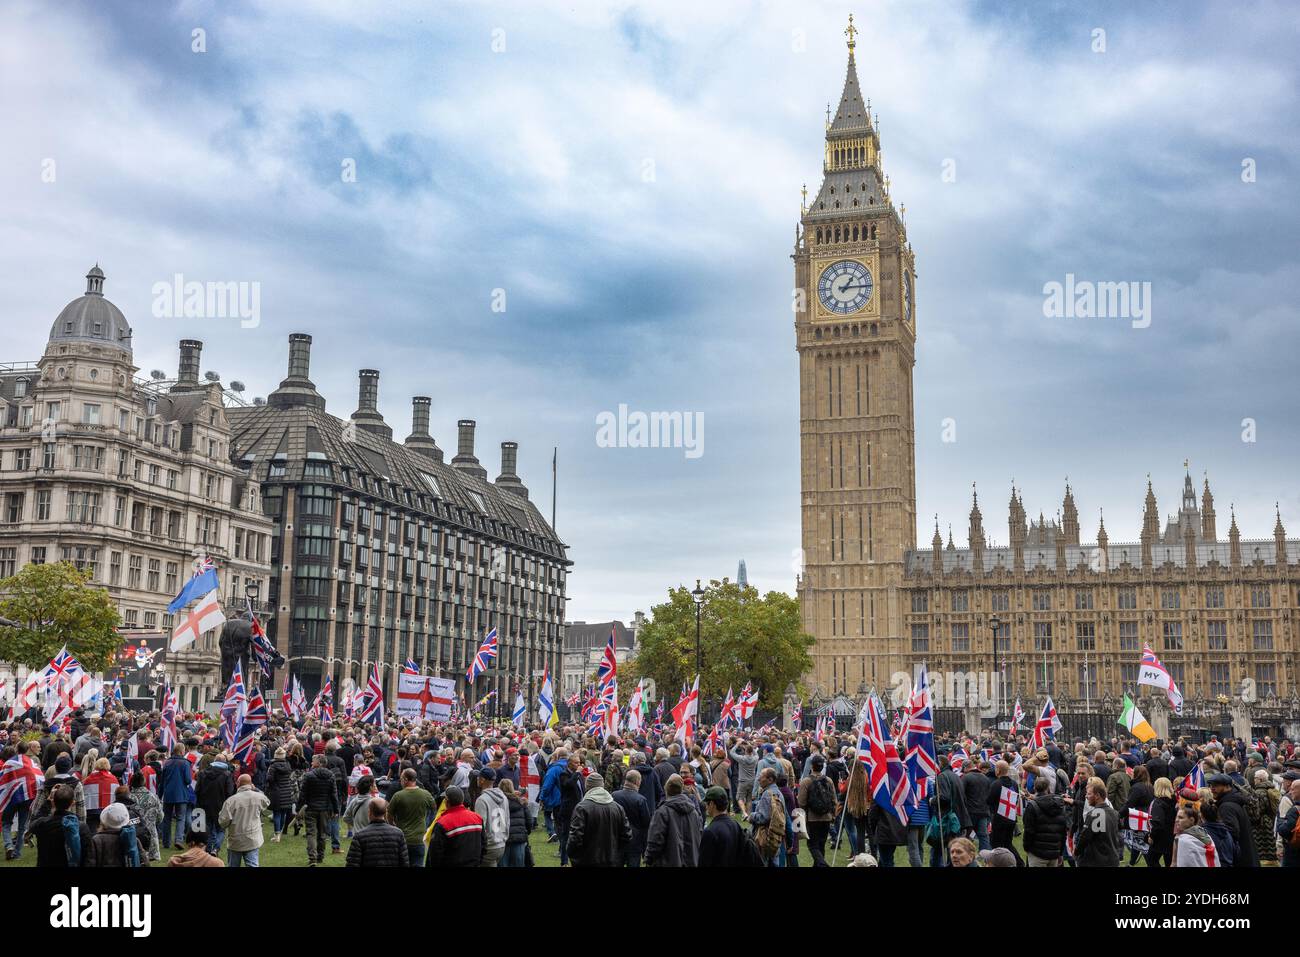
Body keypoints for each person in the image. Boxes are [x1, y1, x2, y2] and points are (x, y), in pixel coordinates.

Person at [567, 770, 632, 867]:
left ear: (587, 787)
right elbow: (626, 835)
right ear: (602, 786)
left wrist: (574, 856)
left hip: (587, 860)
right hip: (612, 860)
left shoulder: (582, 808)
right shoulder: (617, 807)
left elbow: (575, 838)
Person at [645, 773, 702, 867]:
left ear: (666, 789)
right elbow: (698, 836)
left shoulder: (662, 812)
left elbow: (655, 841)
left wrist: (648, 859)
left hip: (668, 862)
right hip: (691, 861)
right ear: (682, 789)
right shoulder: (693, 812)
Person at [28, 784, 90, 868]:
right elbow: (86, 854)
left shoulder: (43, 824)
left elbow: (32, 824)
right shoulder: (81, 827)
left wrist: (48, 802)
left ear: (53, 801)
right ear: (72, 803)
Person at [217, 773, 269, 867]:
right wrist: (255, 789)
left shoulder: (231, 801)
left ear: (238, 783)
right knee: (253, 865)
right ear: (251, 784)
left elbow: (223, 822)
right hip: (253, 838)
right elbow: (267, 802)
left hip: (236, 840)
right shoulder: (259, 797)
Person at [298, 753, 340, 866]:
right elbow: (334, 795)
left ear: (319, 763)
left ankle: (312, 858)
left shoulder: (309, 776)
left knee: (311, 833)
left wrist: (298, 808)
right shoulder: (331, 775)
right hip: (324, 809)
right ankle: (320, 856)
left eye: (313, 761)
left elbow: (302, 794)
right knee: (322, 834)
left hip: (311, 808)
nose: (311, 763)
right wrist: (336, 810)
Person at [387, 768, 435, 867]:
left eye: (401, 779)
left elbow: (389, 814)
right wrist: (428, 823)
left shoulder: (398, 796)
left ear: (405, 779)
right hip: (419, 839)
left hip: (402, 838)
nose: (400, 781)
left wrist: (393, 825)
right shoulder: (425, 794)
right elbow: (434, 808)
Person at [1208, 773, 1258, 868]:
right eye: (1211, 785)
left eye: (1216, 785)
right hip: (1246, 856)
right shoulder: (1232, 801)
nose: (1212, 788)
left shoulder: (1226, 807)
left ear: (1228, 787)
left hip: (1240, 859)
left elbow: (1231, 834)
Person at [426, 786, 483, 867]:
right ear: (462, 800)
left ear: (446, 802)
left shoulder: (442, 823)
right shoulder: (477, 818)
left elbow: (435, 853)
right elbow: (483, 845)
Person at [346, 797, 408, 867]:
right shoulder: (398, 834)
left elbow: (352, 863)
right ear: (385, 812)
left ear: (369, 812)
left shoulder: (360, 836)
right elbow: (404, 862)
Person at [797, 755, 836, 866]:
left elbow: (801, 802)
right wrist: (833, 815)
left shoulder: (806, 781)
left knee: (813, 845)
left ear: (812, 766)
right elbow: (834, 800)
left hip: (812, 818)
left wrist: (801, 819)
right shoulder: (828, 780)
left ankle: (823, 865)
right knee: (821, 845)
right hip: (826, 817)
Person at [1075, 776, 1121, 867]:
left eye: (1088, 794)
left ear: (1097, 796)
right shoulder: (1115, 813)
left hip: (1097, 861)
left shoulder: (1096, 813)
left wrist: (1076, 852)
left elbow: (1085, 837)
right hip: (1112, 859)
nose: (1086, 796)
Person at [1022, 775, 1067, 866]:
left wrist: (1027, 847)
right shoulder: (1060, 805)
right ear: (1048, 788)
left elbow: (1028, 831)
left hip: (1037, 853)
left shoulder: (1032, 806)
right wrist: (1060, 852)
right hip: (1054, 852)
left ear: (1034, 788)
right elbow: (1063, 832)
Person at [700, 785, 747, 866]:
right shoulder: (735, 825)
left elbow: (704, 862)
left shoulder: (709, 832)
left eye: (706, 803)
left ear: (711, 804)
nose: (706, 807)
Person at [159, 744, 195, 850]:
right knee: (180, 818)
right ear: (182, 751)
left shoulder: (167, 763)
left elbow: (162, 781)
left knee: (167, 818)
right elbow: (188, 780)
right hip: (181, 794)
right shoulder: (185, 763)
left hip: (168, 794)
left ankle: (166, 842)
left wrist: (159, 795)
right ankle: (178, 840)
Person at [749, 767, 786, 866]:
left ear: (770, 780)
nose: (758, 779)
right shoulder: (779, 793)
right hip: (775, 836)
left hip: (764, 837)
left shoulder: (767, 794)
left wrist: (752, 816)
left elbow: (763, 818)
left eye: (761, 777)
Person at [474, 767, 510, 867]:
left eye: (478, 778)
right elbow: (507, 820)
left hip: (489, 846)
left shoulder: (482, 800)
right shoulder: (503, 796)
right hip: (501, 843)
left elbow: (481, 826)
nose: (477, 780)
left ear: (482, 780)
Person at [128, 771, 163, 863]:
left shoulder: (128, 798)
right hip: (151, 835)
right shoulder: (153, 797)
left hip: (133, 835)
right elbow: (160, 816)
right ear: (143, 782)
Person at [498, 779, 534, 867]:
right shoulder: (521, 803)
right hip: (519, 838)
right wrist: (525, 832)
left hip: (503, 839)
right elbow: (529, 821)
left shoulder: (497, 803)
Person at [265, 747, 296, 842]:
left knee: (276, 813)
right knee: (283, 813)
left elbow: (269, 779)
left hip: (276, 791)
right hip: (286, 791)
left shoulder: (273, 766)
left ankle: (277, 833)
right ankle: (280, 832)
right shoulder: (287, 765)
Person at [1146, 776, 1176, 867]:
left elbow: (1157, 822)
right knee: (1169, 862)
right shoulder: (1175, 801)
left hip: (1160, 837)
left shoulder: (1158, 803)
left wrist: (1151, 836)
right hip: (1173, 836)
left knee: (1151, 859)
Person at [1279, 780, 1300, 868]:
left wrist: (1280, 824)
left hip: (1294, 852)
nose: (1290, 792)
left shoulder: (1295, 810)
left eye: (1292, 789)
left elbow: (1284, 831)